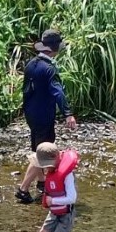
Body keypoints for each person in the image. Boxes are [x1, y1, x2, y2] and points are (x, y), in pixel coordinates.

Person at [16, 29, 77, 204]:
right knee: (42, 154)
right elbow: (58, 91)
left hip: (31, 114)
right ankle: (23, 189)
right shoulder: (49, 69)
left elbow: (27, 91)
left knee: (37, 147)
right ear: (53, 49)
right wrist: (68, 114)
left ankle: (42, 183)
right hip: (44, 115)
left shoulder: (31, 64)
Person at [32, 142, 78, 232]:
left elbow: (72, 198)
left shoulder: (67, 175)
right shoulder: (52, 172)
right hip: (54, 211)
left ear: (57, 158)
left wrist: (53, 200)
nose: (47, 169)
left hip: (66, 214)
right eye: (44, 167)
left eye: (48, 166)